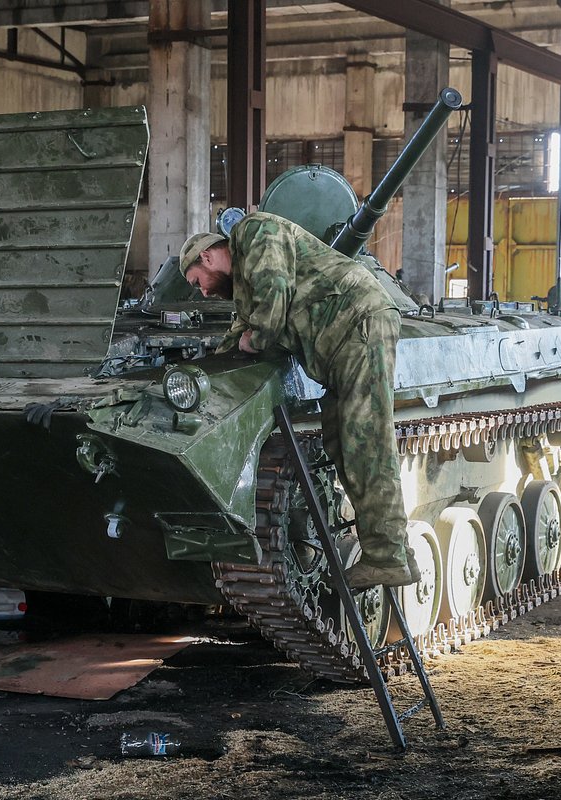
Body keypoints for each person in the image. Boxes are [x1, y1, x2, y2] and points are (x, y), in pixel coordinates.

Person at [178, 212, 419, 590]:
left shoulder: (254, 233)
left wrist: (253, 342)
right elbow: (241, 331)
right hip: (341, 344)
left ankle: (386, 556)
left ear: (206, 257)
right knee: (341, 441)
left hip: (357, 324)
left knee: (366, 443)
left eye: (198, 282)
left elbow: (272, 303)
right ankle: (399, 550)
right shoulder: (245, 280)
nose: (204, 292)